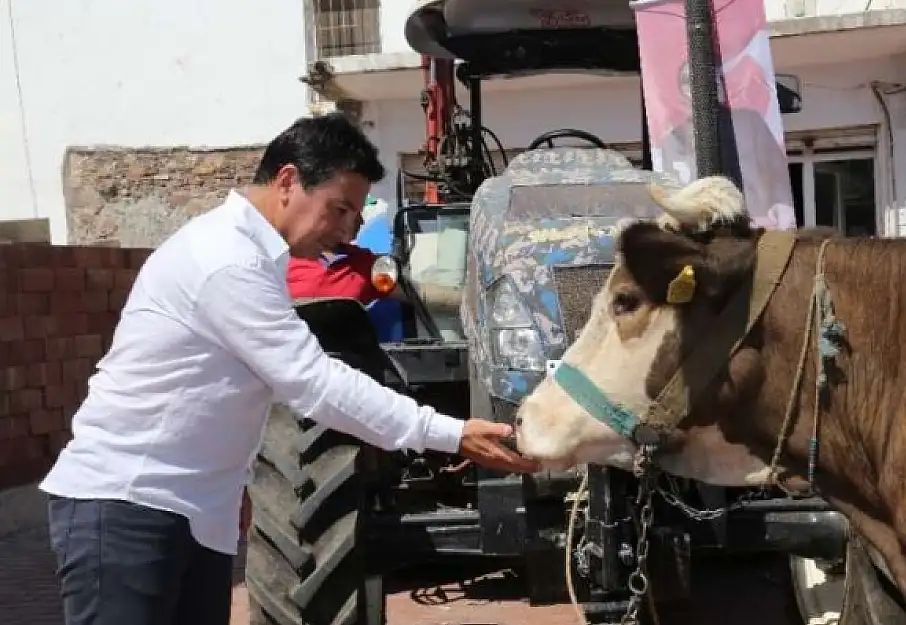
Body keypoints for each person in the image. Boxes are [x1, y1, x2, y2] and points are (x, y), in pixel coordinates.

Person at [38, 112, 539, 625]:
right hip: (129, 507)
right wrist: (449, 433)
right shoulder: (226, 259)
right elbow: (313, 381)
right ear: (286, 180)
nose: (346, 231)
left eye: (355, 216)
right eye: (338, 209)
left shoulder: (257, 258)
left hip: (192, 516)